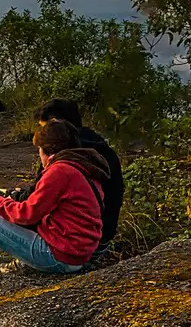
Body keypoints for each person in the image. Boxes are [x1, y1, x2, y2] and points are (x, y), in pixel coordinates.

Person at [0, 119, 109, 276]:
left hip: (60, 256)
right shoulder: (83, 168)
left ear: (47, 151)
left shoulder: (60, 171)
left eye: (40, 152)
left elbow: (28, 214)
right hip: (77, 253)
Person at [36, 98, 125, 252]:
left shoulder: (64, 150)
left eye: (44, 129)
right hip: (102, 235)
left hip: (77, 242)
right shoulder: (98, 146)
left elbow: (37, 200)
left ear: (56, 123)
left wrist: (14, 197)